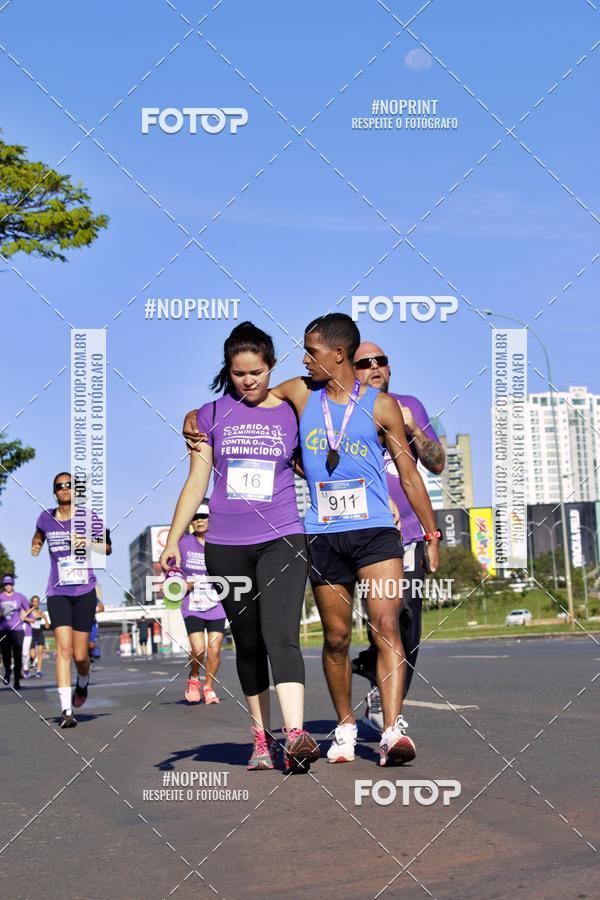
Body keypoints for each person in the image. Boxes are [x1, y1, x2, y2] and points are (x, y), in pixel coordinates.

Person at [183, 313, 442, 766]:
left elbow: (411, 474)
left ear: (337, 355)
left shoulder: (381, 407)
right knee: (337, 636)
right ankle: (344, 725)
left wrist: (432, 534)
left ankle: (391, 730)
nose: (303, 359)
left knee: (386, 624)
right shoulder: (300, 392)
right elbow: (248, 393)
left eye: (311, 351)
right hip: (321, 534)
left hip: (377, 531)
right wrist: (196, 415)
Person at [164, 321, 319, 773]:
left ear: (271, 367)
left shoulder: (292, 410)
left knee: (281, 635)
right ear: (227, 371)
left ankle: (295, 735)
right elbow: (196, 481)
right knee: (249, 644)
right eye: (239, 373)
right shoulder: (210, 416)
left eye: (257, 371)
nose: (248, 380)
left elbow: (314, 465)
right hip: (227, 545)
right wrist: (173, 539)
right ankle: (260, 740)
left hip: (284, 537)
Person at [350, 342, 445, 733]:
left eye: (381, 361)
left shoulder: (411, 405)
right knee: (387, 615)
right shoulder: (342, 411)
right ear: (349, 369)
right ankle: (389, 708)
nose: (374, 367)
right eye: (364, 363)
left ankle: (376, 673)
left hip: (410, 535)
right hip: (368, 532)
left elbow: (436, 464)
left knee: (409, 621)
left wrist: (412, 427)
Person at [31, 472, 112, 728]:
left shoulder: (88, 517)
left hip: (84, 593)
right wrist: (35, 544)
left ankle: (83, 682)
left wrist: (87, 541)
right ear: (54, 492)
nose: (65, 489)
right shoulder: (46, 518)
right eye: (60, 486)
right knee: (63, 651)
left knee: (80, 655)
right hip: (57, 593)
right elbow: (39, 536)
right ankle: (66, 711)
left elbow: (107, 547)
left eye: (69, 485)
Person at [178, 502, 226, 705]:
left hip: (217, 603)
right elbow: (171, 569)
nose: (199, 520)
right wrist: (180, 582)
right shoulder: (183, 543)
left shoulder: (222, 542)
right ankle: (194, 677)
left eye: (204, 516)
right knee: (198, 649)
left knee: (214, 649)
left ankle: (209, 686)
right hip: (192, 603)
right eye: (195, 516)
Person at [0, 575, 30, 690]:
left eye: (10, 584)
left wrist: (25, 616)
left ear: (13, 585)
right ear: (4, 585)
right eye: (6, 584)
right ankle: (8, 671)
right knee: (6, 654)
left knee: (18, 656)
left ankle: (17, 680)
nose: (8, 586)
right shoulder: (0, 597)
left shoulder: (20, 597)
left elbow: (28, 611)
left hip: (17, 630)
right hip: (3, 629)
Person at [29, 596, 50, 677]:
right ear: (32, 603)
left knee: (40, 652)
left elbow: (47, 626)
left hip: (39, 632)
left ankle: (39, 671)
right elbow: (23, 618)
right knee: (33, 655)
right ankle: (32, 661)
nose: (35, 603)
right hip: (31, 632)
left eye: (37, 601)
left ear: (39, 603)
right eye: (34, 601)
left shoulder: (42, 613)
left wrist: (45, 619)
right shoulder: (29, 612)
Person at [88, 599, 105, 663]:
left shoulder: (92, 595)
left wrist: (91, 612)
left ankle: (91, 654)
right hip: (78, 623)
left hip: (92, 624)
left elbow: (102, 608)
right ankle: (88, 656)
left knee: (91, 644)